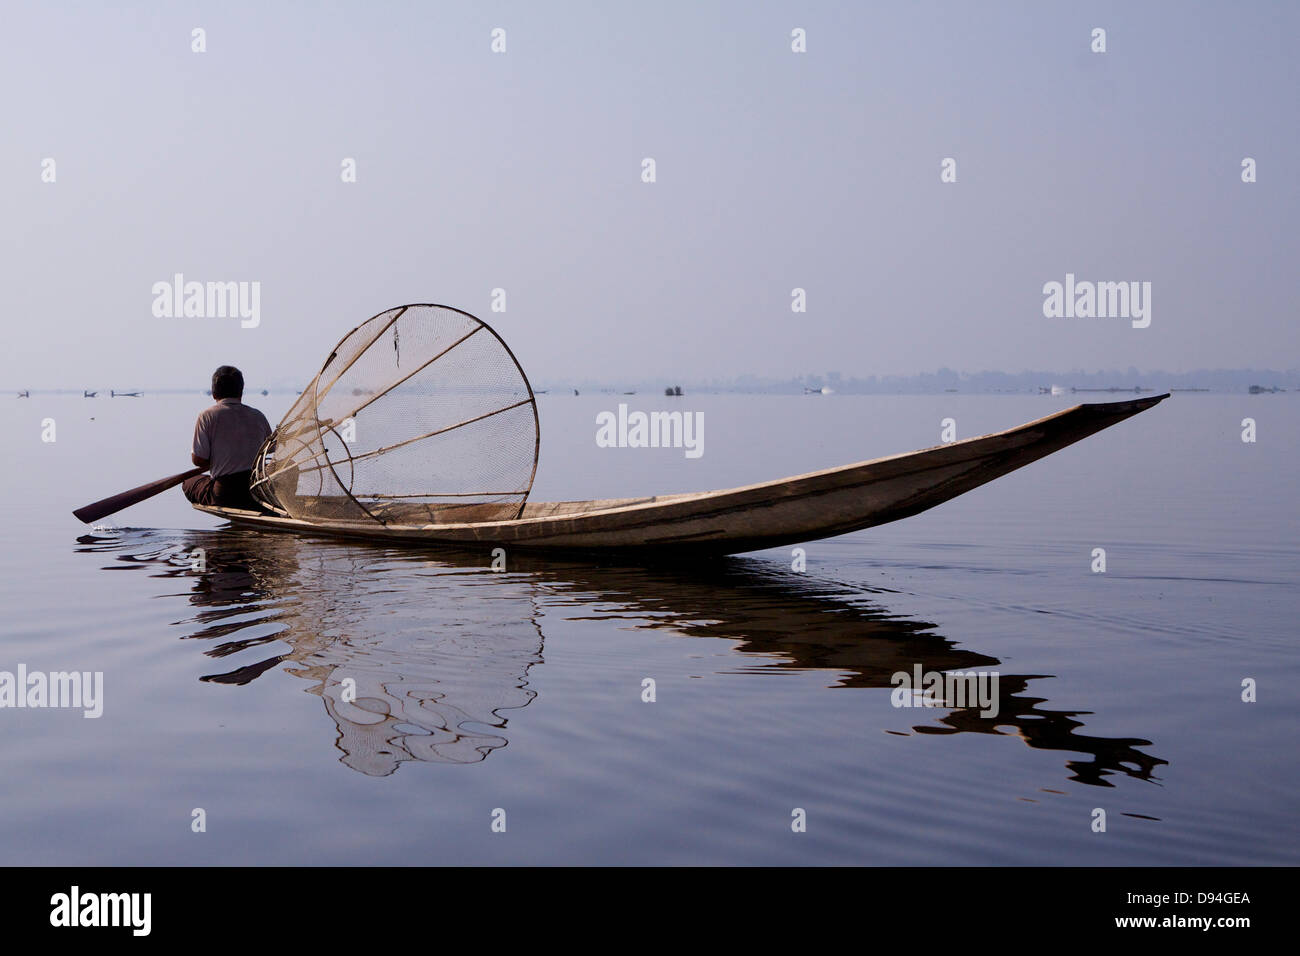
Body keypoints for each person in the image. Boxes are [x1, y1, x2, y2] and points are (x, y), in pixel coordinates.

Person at [181, 366, 272, 510]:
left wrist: (221, 458)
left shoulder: (207, 416)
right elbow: (270, 448)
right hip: (257, 490)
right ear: (241, 392)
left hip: (225, 493)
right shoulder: (258, 415)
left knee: (188, 482)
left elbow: (198, 460)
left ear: (213, 392)